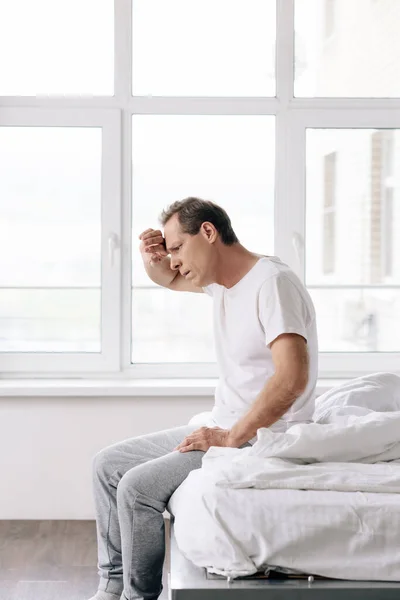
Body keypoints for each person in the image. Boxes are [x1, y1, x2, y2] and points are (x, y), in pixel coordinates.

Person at [89, 197, 318, 600]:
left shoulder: (272, 284)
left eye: (178, 248)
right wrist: (152, 256)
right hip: (222, 422)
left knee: (137, 489)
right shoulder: (226, 283)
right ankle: (110, 588)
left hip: (260, 434)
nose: (174, 261)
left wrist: (229, 437)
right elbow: (170, 279)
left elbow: (291, 380)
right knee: (107, 465)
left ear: (208, 232)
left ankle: (136, 596)